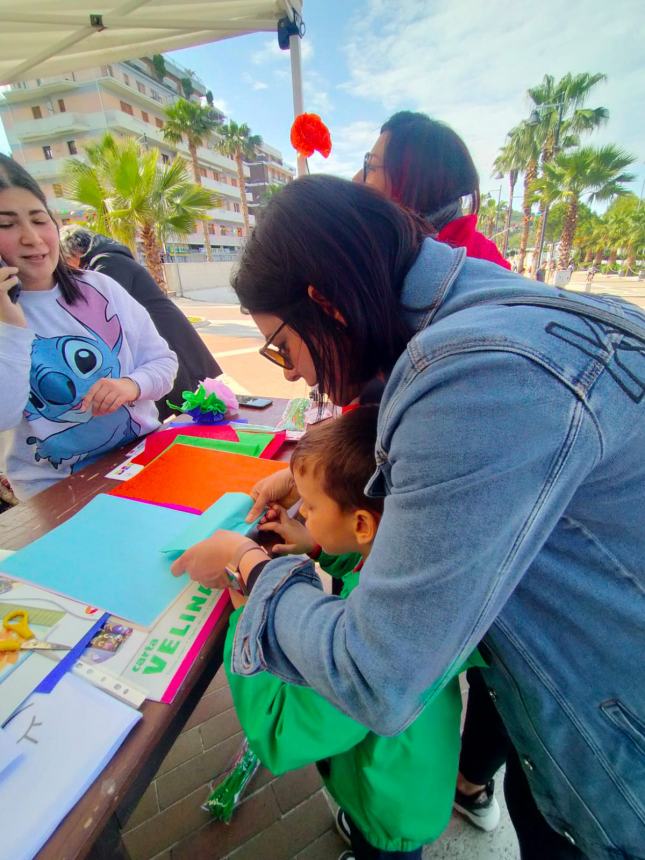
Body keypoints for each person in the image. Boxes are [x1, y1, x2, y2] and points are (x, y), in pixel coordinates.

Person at [170, 176, 645, 860]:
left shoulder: (467, 372)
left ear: (323, 302)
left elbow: (378, 676)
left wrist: (250, 566)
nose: (296, 376)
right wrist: (320, 477)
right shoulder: (504, 310)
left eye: (281, 348)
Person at [220, 407, 480, 860]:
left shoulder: (374, 641)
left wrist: (248, 613)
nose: (305, 514)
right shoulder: (418, 572)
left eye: (311, 507)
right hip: (409, 779)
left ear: (361, 523)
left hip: (385, 808)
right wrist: (317, 546)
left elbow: (281, 733)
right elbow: (365, 571)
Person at [356, 109, 513, 830]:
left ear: (413, 182)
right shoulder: (412, 263)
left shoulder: (465, 279)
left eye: (373, 164)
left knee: (501, 668)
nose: (359, 177)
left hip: (492, 519)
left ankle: (466, 782)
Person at [0, 155, 178, 500]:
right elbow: (4, 415)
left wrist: (131, 384)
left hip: (141, 458)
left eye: (39, 220)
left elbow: (164, 363)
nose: (32, 238)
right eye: (6, 225)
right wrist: (9, 324)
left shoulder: (100, 287)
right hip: (55, 493)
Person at [59, 226, 221, 421]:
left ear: (76, 252)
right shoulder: (109, 258)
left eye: (67, 262)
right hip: (161, 329)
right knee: (179, 396)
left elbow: (97, 311)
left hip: (163, 332)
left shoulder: (106, 264)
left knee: (184, 396)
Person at [355, 110, 510, 269]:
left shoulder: (477, 266)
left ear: (413, 179)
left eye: (371, 166)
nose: (356, 179)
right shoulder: (384, 247)